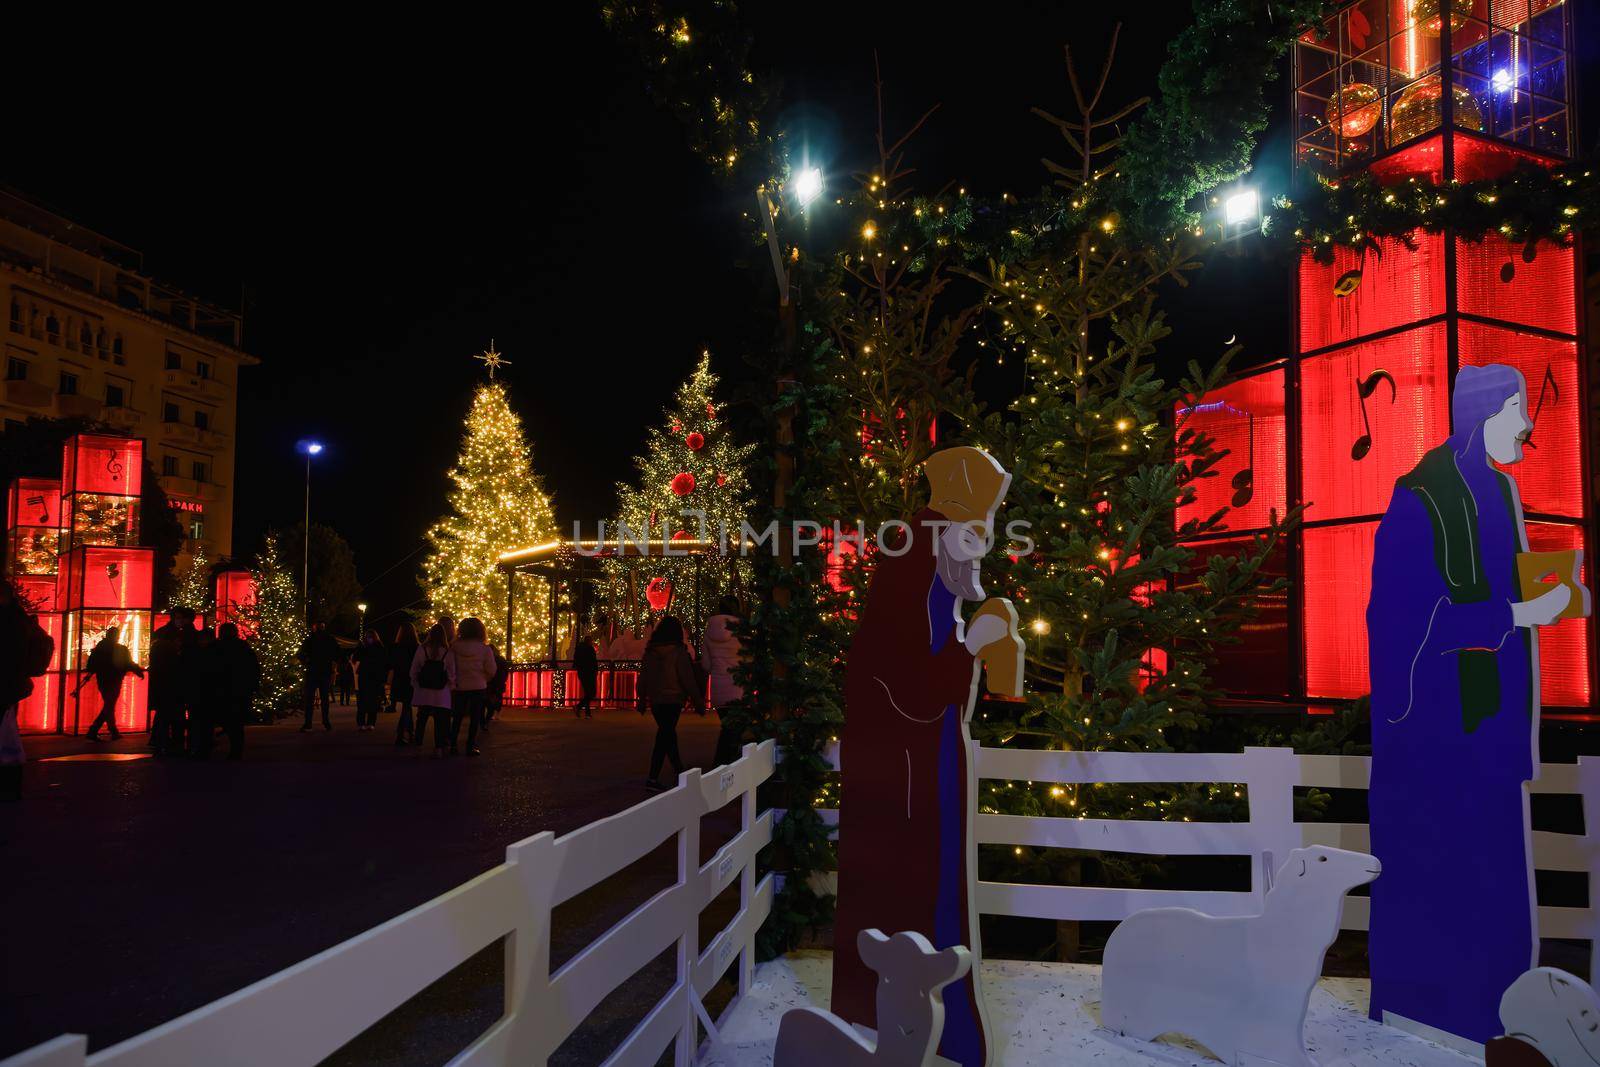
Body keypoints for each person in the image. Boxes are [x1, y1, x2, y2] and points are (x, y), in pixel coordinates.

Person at [1366, 364, 1579, 1044]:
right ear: (1485, 410)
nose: (1527, 424)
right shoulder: (1422, 497)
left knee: (1493, 883)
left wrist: (1539, 598)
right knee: (1440, 874)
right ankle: (1432, 1008)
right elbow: (1404, 622)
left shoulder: (1498, 489)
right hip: (1438, 738)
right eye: (1518, 407)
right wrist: (1518, 611)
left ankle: (1497, 1013)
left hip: (1487, 735)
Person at [637, 615, 705, 791]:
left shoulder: (650, 652)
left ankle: (679, 770)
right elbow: (687, 678)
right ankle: (653, 777)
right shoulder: (678, 653)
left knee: (667, 734)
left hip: (657, 700)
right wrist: (697, 700)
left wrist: (642, 698)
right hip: (673, 699)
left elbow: (643, 677)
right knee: (665, 736)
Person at [1, 578, 52, 802]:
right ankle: (11, 787)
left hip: (7, 686)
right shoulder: (18, 619)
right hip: (11, 686)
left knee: (7, 737)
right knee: (8, 736)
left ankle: (10, 787)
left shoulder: (10, 621)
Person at [75, 625, 145, 742]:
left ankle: (100, 730)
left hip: (103, 679)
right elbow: (128, 663)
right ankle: (108, 730)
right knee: (110, 704)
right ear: (116, 636)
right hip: (115, 679)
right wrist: (138, 671)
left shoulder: (99, 648)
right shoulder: (121, 649)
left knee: (109, 704)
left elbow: (92, 665)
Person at [701, 596, 746, 766]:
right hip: (738, 686)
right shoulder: (741, 629)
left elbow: (706, 665)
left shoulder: (709, 631)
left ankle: (723, 764)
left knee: (728, 728)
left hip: (718, 688)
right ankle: (722, 765)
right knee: (733, 730)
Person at [148, 608, 197, 756]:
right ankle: (170, 742)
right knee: (172, 714)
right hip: (174, 681)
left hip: (169, 681)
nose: (181, 621)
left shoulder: (165, 634)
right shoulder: (185, 634)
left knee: (167, 714)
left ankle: (163, 742)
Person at [447, 617, 497, 757]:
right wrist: (483, 679)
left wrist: (454, 681)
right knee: (475, 717)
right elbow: (491, 670)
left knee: (457, 716)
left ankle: (453, 744)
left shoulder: (454, 647)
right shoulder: (485, 649)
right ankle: (470, 746)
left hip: (459, 686)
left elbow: (450, 666)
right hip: (478, 685)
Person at [211, 623, 259, 759]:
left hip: (223, 689)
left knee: (228, 718)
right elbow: (253, 669)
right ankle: (236, 749)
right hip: (239, 689)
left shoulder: (217, 648)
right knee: (237, 721)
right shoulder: (243, 648)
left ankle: (233, 746)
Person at [410, 624, 454, 757]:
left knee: (421, 719)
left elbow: (414, 669)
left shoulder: (422, 649)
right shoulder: (447, 651)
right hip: (441, 692)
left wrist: (416, 683)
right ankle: (438, 748)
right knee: (440, 721)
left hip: (424, 690)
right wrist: (450, 686)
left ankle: (418, 745)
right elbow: (452, 673)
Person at [185, 626, 223, 757]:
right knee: (204, 721)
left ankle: (199, 746)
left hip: (200, 691)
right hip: (206, 692)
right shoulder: (216, 652)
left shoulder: (195, 652)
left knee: (199, 721)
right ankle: (203, 746)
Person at [298, 622, 340, 732]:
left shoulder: (311, 639)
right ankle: (325, 722)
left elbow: (301, 654)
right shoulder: (329, 639)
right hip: (324, 671)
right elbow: (337, 653)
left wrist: (307, 661)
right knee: (324, 698)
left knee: (310, 698)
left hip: (314, 671)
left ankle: (309, 723)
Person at [389, 622, 419, 745]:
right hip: (411, 679)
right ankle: (403, 733)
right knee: (407, 707)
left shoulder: (396, 647)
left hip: (399, 679)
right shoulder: (416, 647)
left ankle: (407, 733)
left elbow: (391, 664)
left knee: (406, 707)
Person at [354, 629, 387, 731]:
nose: (369, 639)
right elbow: (355, 658)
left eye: (371, 637)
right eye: (368, 637)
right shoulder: (363, 647)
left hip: (373, 677)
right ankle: (362, 722)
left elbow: (383, 662)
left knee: (372, 701)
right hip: (365, 676)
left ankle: (370, 722)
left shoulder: (379, 647)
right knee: (363, 700)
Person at [573, 632, 598, 718]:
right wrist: (595, 671)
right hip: (589, 673)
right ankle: (579, 707)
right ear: (589, 641)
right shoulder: (590, 649)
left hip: (582, 673)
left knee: (587, 693)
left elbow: (575, 661)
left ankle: (587, 713)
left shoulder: (579, 649)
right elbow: (593, 662)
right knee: (591, 693)